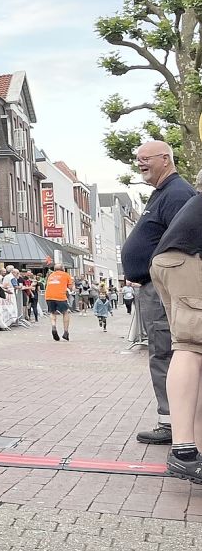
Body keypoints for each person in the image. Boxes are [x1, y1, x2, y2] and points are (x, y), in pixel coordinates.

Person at [121, 140, 196, 445]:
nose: (139, 164)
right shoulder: (165, 192)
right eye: (136, 159)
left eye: (145, 158)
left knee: (166, 350)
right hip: (155, 285)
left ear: (165, 159)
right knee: (163, 350)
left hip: (164, 288)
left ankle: (174, 424)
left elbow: (184, 240)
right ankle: (173, 421)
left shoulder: (177, 193)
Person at [149, 190, 202, 481]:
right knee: (191, 346)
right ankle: (184, 452)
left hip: (174, 259)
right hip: (188, 258)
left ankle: (195, 451)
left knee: (195, 351)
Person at [45, 263, 74, 341]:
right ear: (63, 268)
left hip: (49, 295)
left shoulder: (50, 275)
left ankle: (53, 326)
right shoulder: (66, 275)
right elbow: (70, 287)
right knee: (66, 312)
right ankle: (65, 332)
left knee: (52, 312)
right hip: (60, 296)